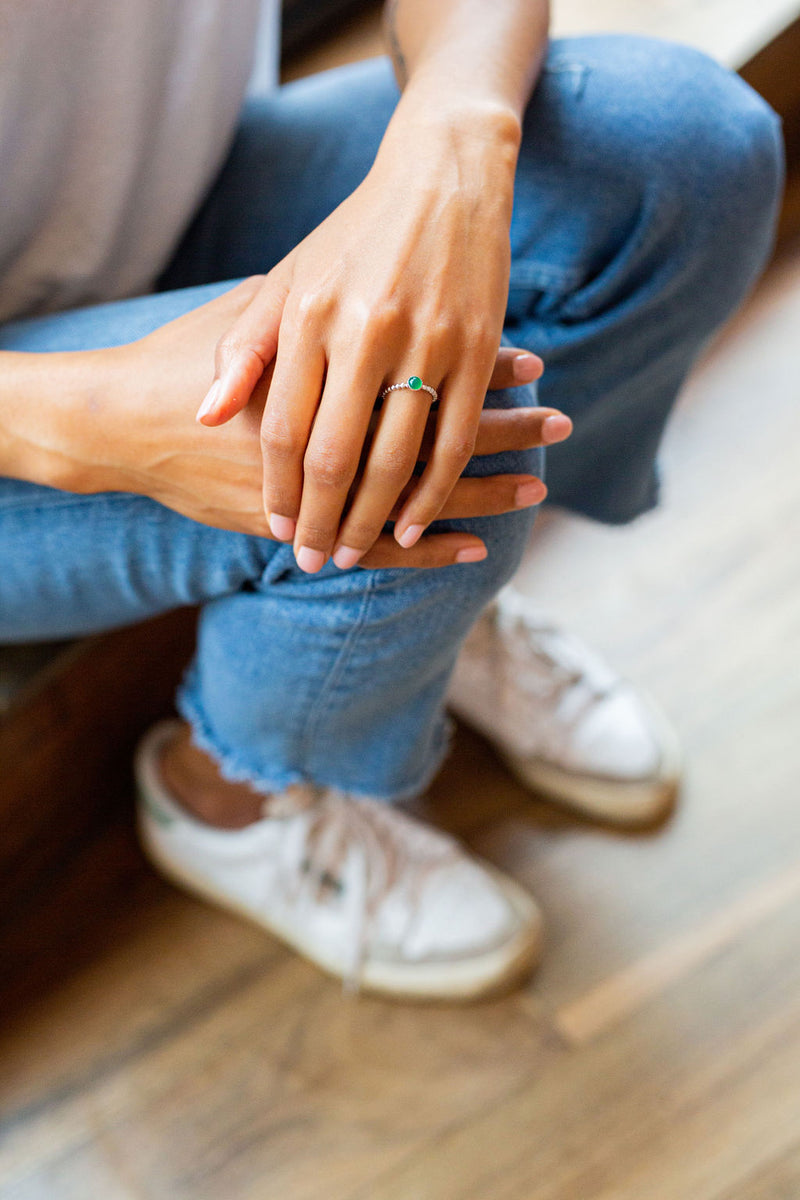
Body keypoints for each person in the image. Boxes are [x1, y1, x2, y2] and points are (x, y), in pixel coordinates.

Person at [0, 0, 783, 1001]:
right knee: (392, 428)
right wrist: (93, 422)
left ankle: (428, 619)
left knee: (679, 155)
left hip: (154, 204)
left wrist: (454, 143)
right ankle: (228, 797)